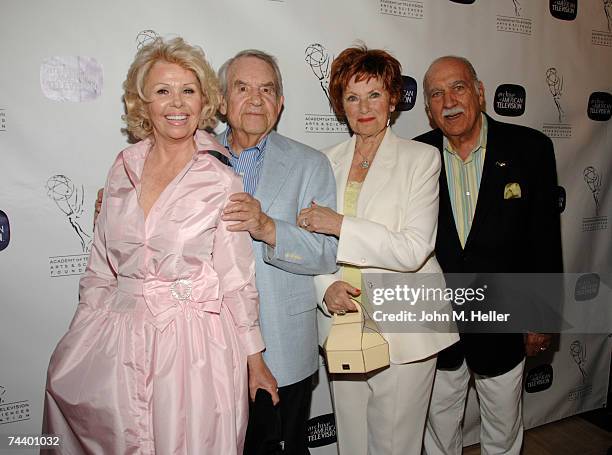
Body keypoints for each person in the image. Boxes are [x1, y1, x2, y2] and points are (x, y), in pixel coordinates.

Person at [43, 37, 267, 454]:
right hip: (119, 338)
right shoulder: (121, 169)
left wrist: (255, 359)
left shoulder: (221, 179)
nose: (176, 103)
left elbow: (236, 279)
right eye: (163, 91)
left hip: (195, 347)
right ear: (143, 103)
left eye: (188, 90)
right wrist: (81, 335)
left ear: (204, 103)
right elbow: (100, 268)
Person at [297, 45, 458, 455]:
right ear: (340, 104)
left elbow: (412, 248)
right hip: (344, 320)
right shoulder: (323, 161)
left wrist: (340, 224)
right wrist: (325, 288)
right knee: (350, 442)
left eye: (373, 94)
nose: (363, 106)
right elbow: (311, 243)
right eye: (352, 96)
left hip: (406, 322)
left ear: (392, 99)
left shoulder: (421, 159)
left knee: (395, 445)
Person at [415, 56, 563, 455]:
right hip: (437, 324)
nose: (449, 100)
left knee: (502, 427)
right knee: (438, 426)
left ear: (479, 92)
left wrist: (541, 316)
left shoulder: (530, 149)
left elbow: (544, 239)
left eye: (458, 87)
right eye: (436, 93)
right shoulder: (416, 156)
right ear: (428, 110)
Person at [216, 50, 339, 454]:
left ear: (280, 103)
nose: (255, 98)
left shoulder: (310, 164)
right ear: (221, 100)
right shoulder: (193, 159)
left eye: (266, 89)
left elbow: (325, 254)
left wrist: (269, 229)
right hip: (206, 343)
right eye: (242, 87)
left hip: (281, 345)